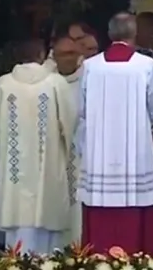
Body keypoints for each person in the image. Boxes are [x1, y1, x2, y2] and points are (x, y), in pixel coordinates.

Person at [78, 12, 153, 253]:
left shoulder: (90, 66)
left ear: (109, 34)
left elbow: (81, 109)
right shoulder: (147, 66)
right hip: (135, 157)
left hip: (100, 158)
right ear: (134, 33)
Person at [0, 39, 77, 254]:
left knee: (17, 235)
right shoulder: (56, 83)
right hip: (49, 171)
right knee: (48, 233)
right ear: (42, 55)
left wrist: (6, 153)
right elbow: (70, 123)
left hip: (15, 173)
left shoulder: (3, 84)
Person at [52, 35, 83, 245]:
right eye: (63, 54)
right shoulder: (46, 83)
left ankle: (79, 245)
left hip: (81, 152)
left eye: (72, 53)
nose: (68, 59)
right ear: (54, 57)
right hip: (53, 153)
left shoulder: (89, 78)